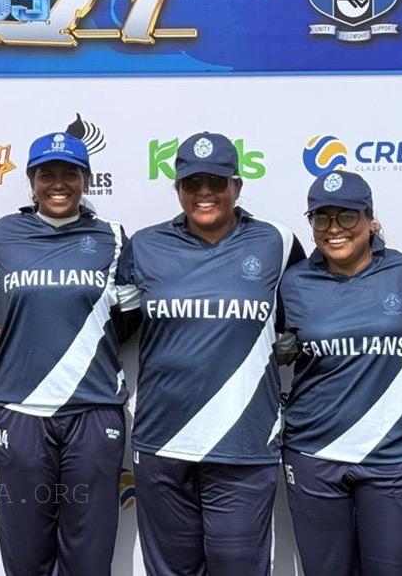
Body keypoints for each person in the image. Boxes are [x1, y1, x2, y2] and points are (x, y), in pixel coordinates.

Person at [116, 131, 304, 576]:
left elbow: (310, 310)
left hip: (243, 443)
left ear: (237, 185)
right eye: (192, 183)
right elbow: (114, 326)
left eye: (217, 182)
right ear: (177, 188)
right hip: (163, 440)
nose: (205, 193)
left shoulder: (277, 242)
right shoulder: (144, 245)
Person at [0, 131, 133, 574]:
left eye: (70, 173)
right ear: (32, 181)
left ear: (86, 179)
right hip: (21, 408)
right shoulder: (2, 235)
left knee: (89, 554)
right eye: (47, 174)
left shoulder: (112, 236)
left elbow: (128, 317)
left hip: (93, 407)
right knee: (25, 552)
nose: (58, 184)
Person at [277, 171, 402, 576]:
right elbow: (271, 349)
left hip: (395, 456)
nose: (334, 229)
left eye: (346, 216)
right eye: (321, 218)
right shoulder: (292, 282)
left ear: (370, 219)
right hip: (314, 454)